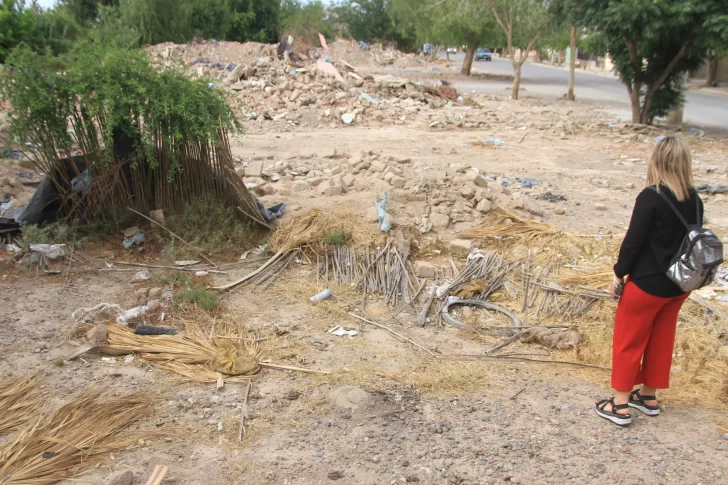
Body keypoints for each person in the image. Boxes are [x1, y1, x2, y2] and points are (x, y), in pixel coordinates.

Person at [595, 136, 704, 426]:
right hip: (679, 286)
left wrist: (619, 273)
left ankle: (618, 405)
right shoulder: (695, 198)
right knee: (661, 338)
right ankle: (648, 396)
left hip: (647, 283)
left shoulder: (651, 196)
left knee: (628, 341)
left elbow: (634, 242)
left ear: (657, 160)